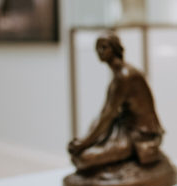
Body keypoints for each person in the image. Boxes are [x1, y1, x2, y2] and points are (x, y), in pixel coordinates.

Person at [68, 32, 164, 171]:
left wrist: (84, 143)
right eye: (97, 48)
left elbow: (108, 114)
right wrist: (85, 140)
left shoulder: (125, 77)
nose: (100, 51)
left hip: (140, 134)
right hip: (122, 127)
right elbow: (103, 114)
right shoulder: (117, 76)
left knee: (84, 159)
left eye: (104, 47)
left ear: (115, 48)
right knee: (80, 155)